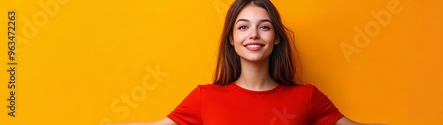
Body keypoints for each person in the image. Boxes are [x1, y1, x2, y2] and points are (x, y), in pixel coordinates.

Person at [110, 0, 385, 125]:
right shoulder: (205, 98)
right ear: (231, 39)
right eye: (243, 27)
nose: (253, 34)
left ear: (276, 38)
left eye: (264, 27)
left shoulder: (307, 98)